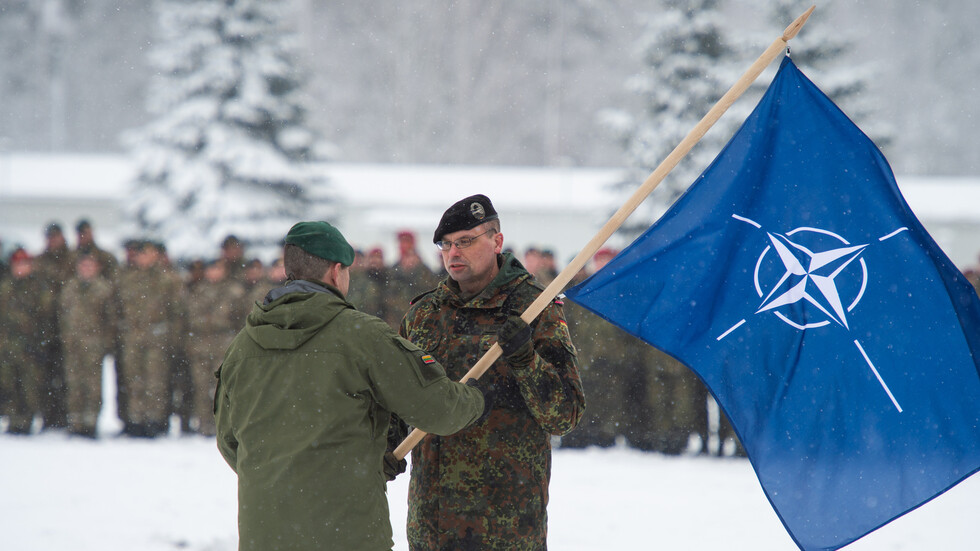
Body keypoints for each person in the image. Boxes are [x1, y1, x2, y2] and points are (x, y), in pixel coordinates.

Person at [215, 221, 488, 551]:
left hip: (265, 533)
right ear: (336, 272)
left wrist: (289, 475)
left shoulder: (243, 347)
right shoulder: (363, 336)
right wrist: (476, 394)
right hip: (347, 532)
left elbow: (231, 441)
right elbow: (440, 410)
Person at [391, 194, 585, 550]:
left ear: (497, 241)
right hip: (433, 524)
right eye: (446, 245)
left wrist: (526, 360)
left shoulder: (533, 308)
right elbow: (394, 397)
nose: (453, 253)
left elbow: (565, 415)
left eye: (466, 241)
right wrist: (387, 444)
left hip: (505, 526)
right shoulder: (424, 314)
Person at [58, 255, 118, 438]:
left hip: (93, 345)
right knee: (74, 384)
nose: (86, 269)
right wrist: (66, 337)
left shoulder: (104, 289)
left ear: (97, 267)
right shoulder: (69, 288)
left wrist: (106, 344)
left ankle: (91, 422)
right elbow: (62, 315)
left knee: (92, 386)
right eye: (83, 265)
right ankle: (75, 422)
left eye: (90, 266)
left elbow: (111, 319)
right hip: (73, 345)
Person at [0, 248, 46, 434]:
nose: (20, 268)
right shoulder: (5, 288)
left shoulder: (38, 289)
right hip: (8, 347)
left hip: (30, 347)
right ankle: (13, 418)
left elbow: (45, 319)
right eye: (17, 264)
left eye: (24, 264)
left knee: (29, 387)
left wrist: (40, 343)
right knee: (9, 384)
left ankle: (26, 420)